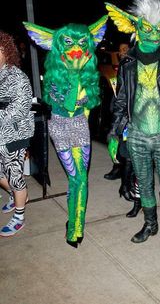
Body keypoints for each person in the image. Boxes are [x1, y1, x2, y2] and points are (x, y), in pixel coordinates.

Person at [105, 0, 160, 258]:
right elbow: (121, 101)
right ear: (137, 28)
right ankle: (150, 225)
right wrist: (113, 133)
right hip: (138, 134)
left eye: (159, 28)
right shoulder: (128, 62)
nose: (155, 34)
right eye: (149, 28)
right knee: (143, 184)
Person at [24, 16, 107, 248]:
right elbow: (67, 104)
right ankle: (74, 219)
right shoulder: (54, 76)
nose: (77, 49)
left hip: (79, 126)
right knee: (75, 179)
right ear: (60, 46)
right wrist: (74, 74)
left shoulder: (89, 75)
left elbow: (89, 105)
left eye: (82, 44)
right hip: (60, 128)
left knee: (80, 178)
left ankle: (75, 227)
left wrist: (85, 96)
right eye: (70, 43)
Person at [0, 30, 35, 237]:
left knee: (14, 175)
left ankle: (19, 216)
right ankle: (17, 195)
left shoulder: (16, 76)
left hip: (15, 134)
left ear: (6, 51)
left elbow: (20, 109)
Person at [104, 42, 130, 181]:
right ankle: (117, 168)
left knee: (125, 145)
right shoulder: (119, 67)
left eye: (125, 49)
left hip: (128, 115)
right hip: (118, 110)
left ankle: (123, 171)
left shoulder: (132, 66)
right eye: (120, 50)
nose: (122, 52)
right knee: (116, 141)